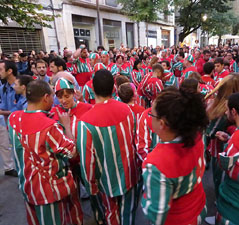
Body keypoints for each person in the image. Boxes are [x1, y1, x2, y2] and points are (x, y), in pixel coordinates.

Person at [8, 80, 83, 225]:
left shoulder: (13, 118)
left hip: (27, 186)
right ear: (46, 98)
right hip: (49, 191)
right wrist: (67, 126)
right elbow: (72, 152)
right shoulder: (49, 126)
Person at [77, 69, 139, 225]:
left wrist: (91, 185)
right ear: (113, 88)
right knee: (128, 212)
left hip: (105, 179)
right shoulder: (127, 110)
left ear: (92, 89)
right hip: (129, 173)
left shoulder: (85, 122)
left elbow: (87, 160)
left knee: (111, 213)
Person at [142, 87, 209, 225]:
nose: (150, 117)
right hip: (198, 207)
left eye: (152, 115)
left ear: (162, 124)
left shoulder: (157, 164)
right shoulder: (196, 136)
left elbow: (157, 215)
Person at [205, 74, 239, 199]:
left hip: (221, 150)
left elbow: (210, 133)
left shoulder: (221, 110)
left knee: (221, 180)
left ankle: (220, 204)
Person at [0, 60, 19, 177]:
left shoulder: (20, 86)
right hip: (8, 124)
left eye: (1, 69)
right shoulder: (3, 88)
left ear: (10, 71)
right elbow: (4, 106)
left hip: (21, 126)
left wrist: (2, 112)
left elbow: (22, 110)